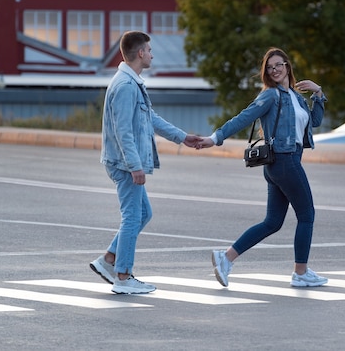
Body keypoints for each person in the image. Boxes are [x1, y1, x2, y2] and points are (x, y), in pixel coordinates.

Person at [198, 47, 328, 288]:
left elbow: (315, 121)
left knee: (272, 222)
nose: (274, 70)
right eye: (270, 67)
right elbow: (244, 117)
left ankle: (226, 258)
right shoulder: (271, 96)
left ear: (288, 66)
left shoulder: (296, 97)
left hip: (284, 163)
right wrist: (215, 138)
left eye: (278, 65)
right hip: (284, 160)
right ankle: (301, 273)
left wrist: (318, 93)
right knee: (307, 216)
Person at [90, 31, 203, 294]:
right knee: (132, 217)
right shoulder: (126, 86)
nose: (152, 54)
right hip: (124, 163)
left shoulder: (133, 83)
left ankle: (108, 260)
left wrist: (183, 137)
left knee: (143, 214)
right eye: (149, 50)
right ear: (140, 53)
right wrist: (135, 166)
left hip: (127, 162)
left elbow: (151, 118)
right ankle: (123, 276)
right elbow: (123, 131)